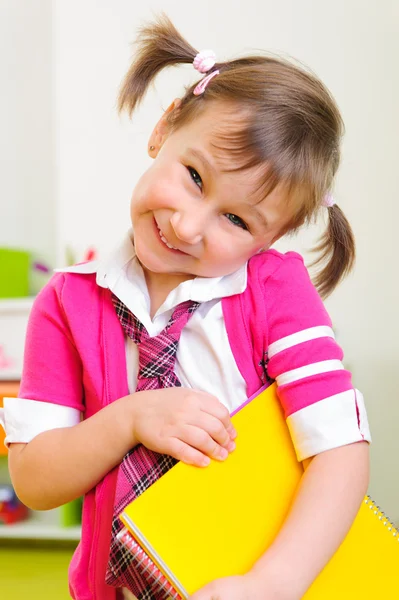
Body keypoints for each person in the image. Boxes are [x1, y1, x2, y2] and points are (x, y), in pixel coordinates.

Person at [0, 14, 371, 600]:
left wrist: (271, 585)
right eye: (194, 176)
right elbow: (35, 481)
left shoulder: (275, 290)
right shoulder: (66, 303)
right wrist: (129, 419)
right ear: (164, 127)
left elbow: (340, 452)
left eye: (237, 220)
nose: (189, 226)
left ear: (270, 238)